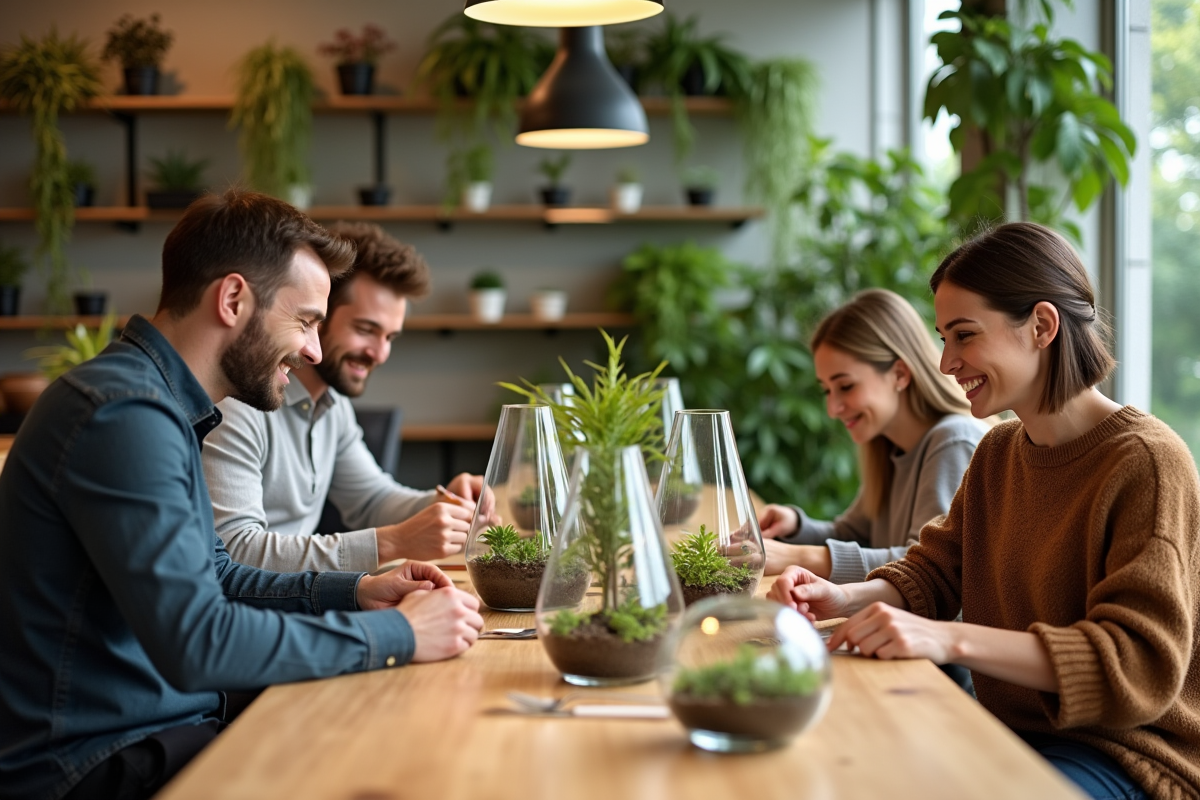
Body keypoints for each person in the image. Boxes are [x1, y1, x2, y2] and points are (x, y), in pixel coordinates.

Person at [0, 191, 484, 800]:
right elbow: (198, 641)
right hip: (94, 761)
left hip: (161, 727)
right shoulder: (123, 414)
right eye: (306, 320)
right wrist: (402, 636)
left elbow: (219, 575)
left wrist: (359, 592)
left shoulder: (161, 406)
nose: (314, 349)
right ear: (232, 300)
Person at [769, 222, 1200, 800]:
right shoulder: (998, 450)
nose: (946, 363)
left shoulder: (1146, 462)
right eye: (944, 338)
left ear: (1042, 326)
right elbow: (935, 572)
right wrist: (843, 598)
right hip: (1011, 730)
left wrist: (948, 641)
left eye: (964, 336)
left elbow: (1137, 666)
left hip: (1126, 756)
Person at [203, 221, 480, 573]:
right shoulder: (237, 404)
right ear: (318, 314)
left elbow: (371, 499)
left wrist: (445, 503)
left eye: (390, 337)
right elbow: (233, 552)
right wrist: (392, 542)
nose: (379, 354)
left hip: (298, 605)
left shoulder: (332, 407)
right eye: (366, 330)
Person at [757, 289, 987, 583]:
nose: (832, 408)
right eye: (827, 390)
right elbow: (853, 535)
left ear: (900, 374)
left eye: (846, 386)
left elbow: (928, 567)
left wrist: (799, 557)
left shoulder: (954, 441)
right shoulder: (888, 446)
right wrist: (795, 526)